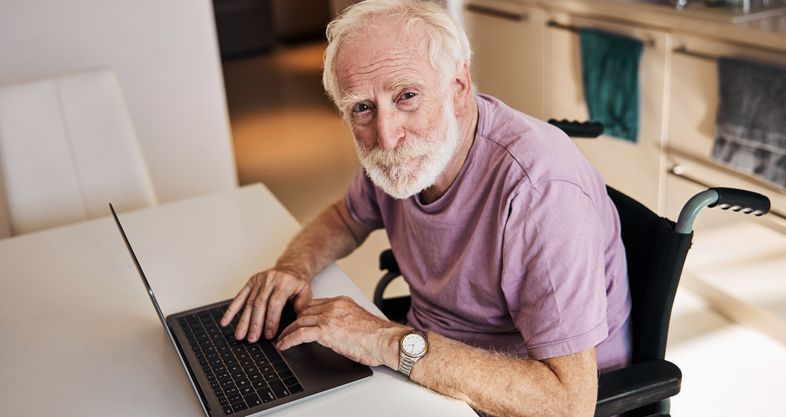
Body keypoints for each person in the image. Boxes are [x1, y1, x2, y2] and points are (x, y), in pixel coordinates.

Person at [220, 1, 632, 416]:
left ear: (458, 87)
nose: (386, 135)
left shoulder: (540, 191)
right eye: (362, 108)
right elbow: (346, 217)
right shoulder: (405, 159)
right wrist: (292, 268)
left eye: (407, 96)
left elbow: (570, 402)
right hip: (428, 366)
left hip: (513, 392)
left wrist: (383, 339)